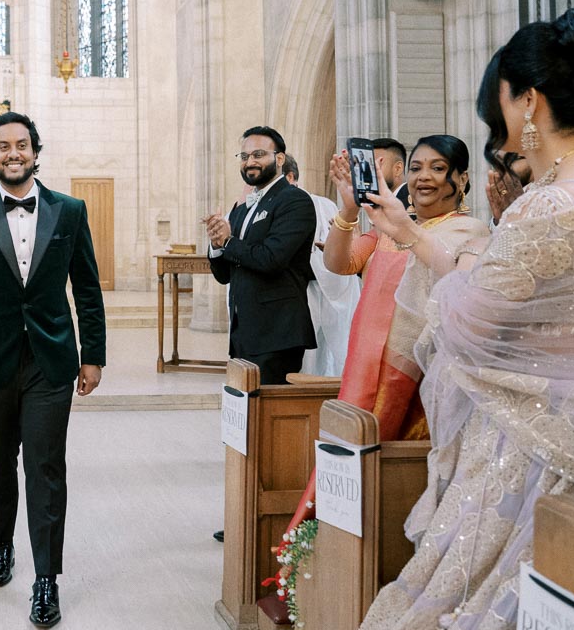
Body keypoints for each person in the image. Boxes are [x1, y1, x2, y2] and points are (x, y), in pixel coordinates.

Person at [338, 8, 574, 630]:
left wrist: (445, 280)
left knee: (461, 629)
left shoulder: (546, 206)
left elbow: (468, 321)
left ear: (530, 100)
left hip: (535, 453)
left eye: (503, 101)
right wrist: (412, 237)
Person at [279, 135, 489, 542]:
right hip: (364, 366)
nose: (423, 177)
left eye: (438, 168)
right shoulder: (389, 227)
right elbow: (340, 263)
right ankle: (324, 548)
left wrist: (403, 227)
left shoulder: (471, 231)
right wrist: (349, 209)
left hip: (420, 379)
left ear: (461, 179)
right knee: (346, 454)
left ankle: (377, 550)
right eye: (416, 168)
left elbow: (460, 287)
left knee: (386, 468)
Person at [0, 111, 106, 629]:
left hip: (51, 361)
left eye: (21, 145)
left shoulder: (71, 211)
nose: (13, 153)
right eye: (2, 146)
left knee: (45, 466)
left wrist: (93, 354)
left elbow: (86, 287)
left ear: (36, 152)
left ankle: (46, 579)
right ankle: (1, 544)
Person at [204, 126, 317, 385]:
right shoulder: (241, 210)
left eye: (258, 154)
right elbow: (224, 276)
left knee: (268, 416)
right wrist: (216, 244)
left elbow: (272, 258)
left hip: (277, 332)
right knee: (247, 416)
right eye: (244, 157)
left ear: (279, 159)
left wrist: (229, 241)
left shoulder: (295, 201)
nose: (250, 162)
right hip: (244, 332)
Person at [282, 155, 361, 379]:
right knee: (306, 362)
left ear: (290, 177)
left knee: (326, 357)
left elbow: (340, 252)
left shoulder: (323, 205)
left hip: (319, 289)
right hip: (300, 294)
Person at [371, 138, 410, 208]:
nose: (371, 171)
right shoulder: (377, 203)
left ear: (398, 169)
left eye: (377, 165)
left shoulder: (415, 201)